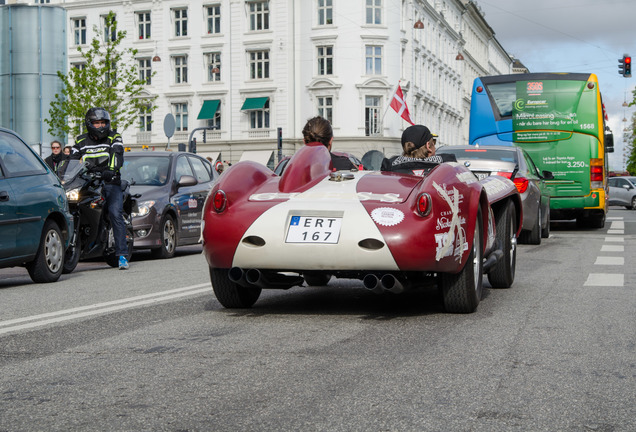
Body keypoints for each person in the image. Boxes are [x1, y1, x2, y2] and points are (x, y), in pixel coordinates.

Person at [70, 107, 129, 270]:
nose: (101, 126)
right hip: (88, 182)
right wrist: (63, 173)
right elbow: (71, 160)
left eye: (103, 122)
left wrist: (111, 170)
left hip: (110, 181)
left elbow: (117, 155)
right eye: (96, 123)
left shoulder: (114, 137)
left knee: (115, 213)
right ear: (89, 124)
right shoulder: (81, 141)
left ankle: (122, 255)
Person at [381, 125, 451, 173]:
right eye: (433, 143)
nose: (435, 147)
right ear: (428, 146)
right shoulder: (446, 164)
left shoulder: (390, 165)